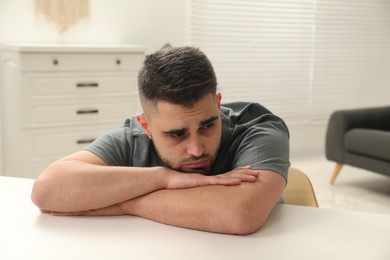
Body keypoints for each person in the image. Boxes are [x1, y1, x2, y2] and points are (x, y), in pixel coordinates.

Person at [31, 46, 290, 235]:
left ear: (218, 104)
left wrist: (123, 203)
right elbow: (47, 190)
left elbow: (241, 214)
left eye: (208, 125)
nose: (196, 149)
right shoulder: (133, 137)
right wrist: (162, 177)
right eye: (176, 134)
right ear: (147, 126)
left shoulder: (258, 128)